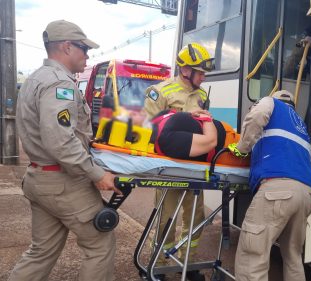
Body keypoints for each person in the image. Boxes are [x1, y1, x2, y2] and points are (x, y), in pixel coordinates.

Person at [9, 20, 120, 281]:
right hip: (63, 183)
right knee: (100, 245)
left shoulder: (35, 78)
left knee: (41, 251)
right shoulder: (60, 84)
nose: (88, 54)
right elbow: (60, 141)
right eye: (84, 48)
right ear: (67, 47)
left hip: (39, 177)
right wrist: (97, 174)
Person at [142, 42, 215, 281]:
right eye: (200, 72)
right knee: (166, 218)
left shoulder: (202, 94)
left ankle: (188, 262)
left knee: (196, 216)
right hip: (169, 168)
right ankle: (160, 263)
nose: (204, 77)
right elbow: (149, 130)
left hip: (196, 167)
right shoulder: (160, 91)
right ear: (185, 70)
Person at [230, 90, 311, 281]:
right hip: (306, 195)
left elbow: (258, 115)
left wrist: (242, 148)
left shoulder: (271, 103)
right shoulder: (301, 125)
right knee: (293, 257)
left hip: (278, 190)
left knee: (253, 256)